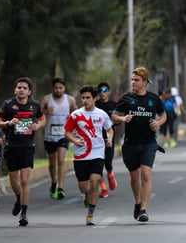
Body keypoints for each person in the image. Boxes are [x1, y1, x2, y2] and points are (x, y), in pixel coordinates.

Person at [112, 67, 166, 222]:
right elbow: (114, 116)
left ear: (145, 82)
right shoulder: (126, 98)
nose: (133, 83)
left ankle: (143, 209)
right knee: (134, 177)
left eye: (136, 80)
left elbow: (163, 116)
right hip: (130, 144)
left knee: (146, 175)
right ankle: (137, 202)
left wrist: (157, 123)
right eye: (132, 79)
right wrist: (123, 119)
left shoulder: (154, 99)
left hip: (149, 143)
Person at [0, 77, 46, 226]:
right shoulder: (8, 105)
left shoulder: (35, 105)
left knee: (24, 180)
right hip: (11, 146)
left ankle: (24, 213)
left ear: (29, 91)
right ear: (15, 90)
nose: (21, 90)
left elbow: (43, 120)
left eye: (24, 88)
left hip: (28, 146)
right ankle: (18, 197)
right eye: (19, 87)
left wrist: (38, 126)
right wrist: (8, 123)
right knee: (13, 181)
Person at [64, 85, 113, 225]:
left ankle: (90, 213)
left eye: (88, 98)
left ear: (94, 98)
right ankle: (86, 195)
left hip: (97, 153)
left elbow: (109, 129)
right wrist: (74, 140)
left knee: (95, 181)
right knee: (83, 186)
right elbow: (67, 132)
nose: (85, 100)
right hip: (80, 156)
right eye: (83, 98)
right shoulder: (76, 115)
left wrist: (109, 138)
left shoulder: (101, 114)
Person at [41, 78, 77, 200]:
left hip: (63, 134)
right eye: (56, 88)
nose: (58, 90)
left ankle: (61, 188)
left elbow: (77, 113)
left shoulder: (70, 100)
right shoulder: (47, 99)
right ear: (53, 88)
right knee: (52, 163)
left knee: (61, 161)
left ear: (64, 88)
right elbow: (37, 112)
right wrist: (46, 111)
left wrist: (71, 116)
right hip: (49, 135)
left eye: (60, 88)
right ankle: (53, 182)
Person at [95, 82, 118, 198]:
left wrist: (115, 121)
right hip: (96, 140)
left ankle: (110, 175)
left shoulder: (114, 105)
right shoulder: (95, 105)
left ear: (109, 92)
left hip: (109, 138)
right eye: (100, 91)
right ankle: (103, 188)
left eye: (104, 90)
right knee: (98, 166)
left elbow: (119, 120)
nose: (102, 93)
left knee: (108, 163)